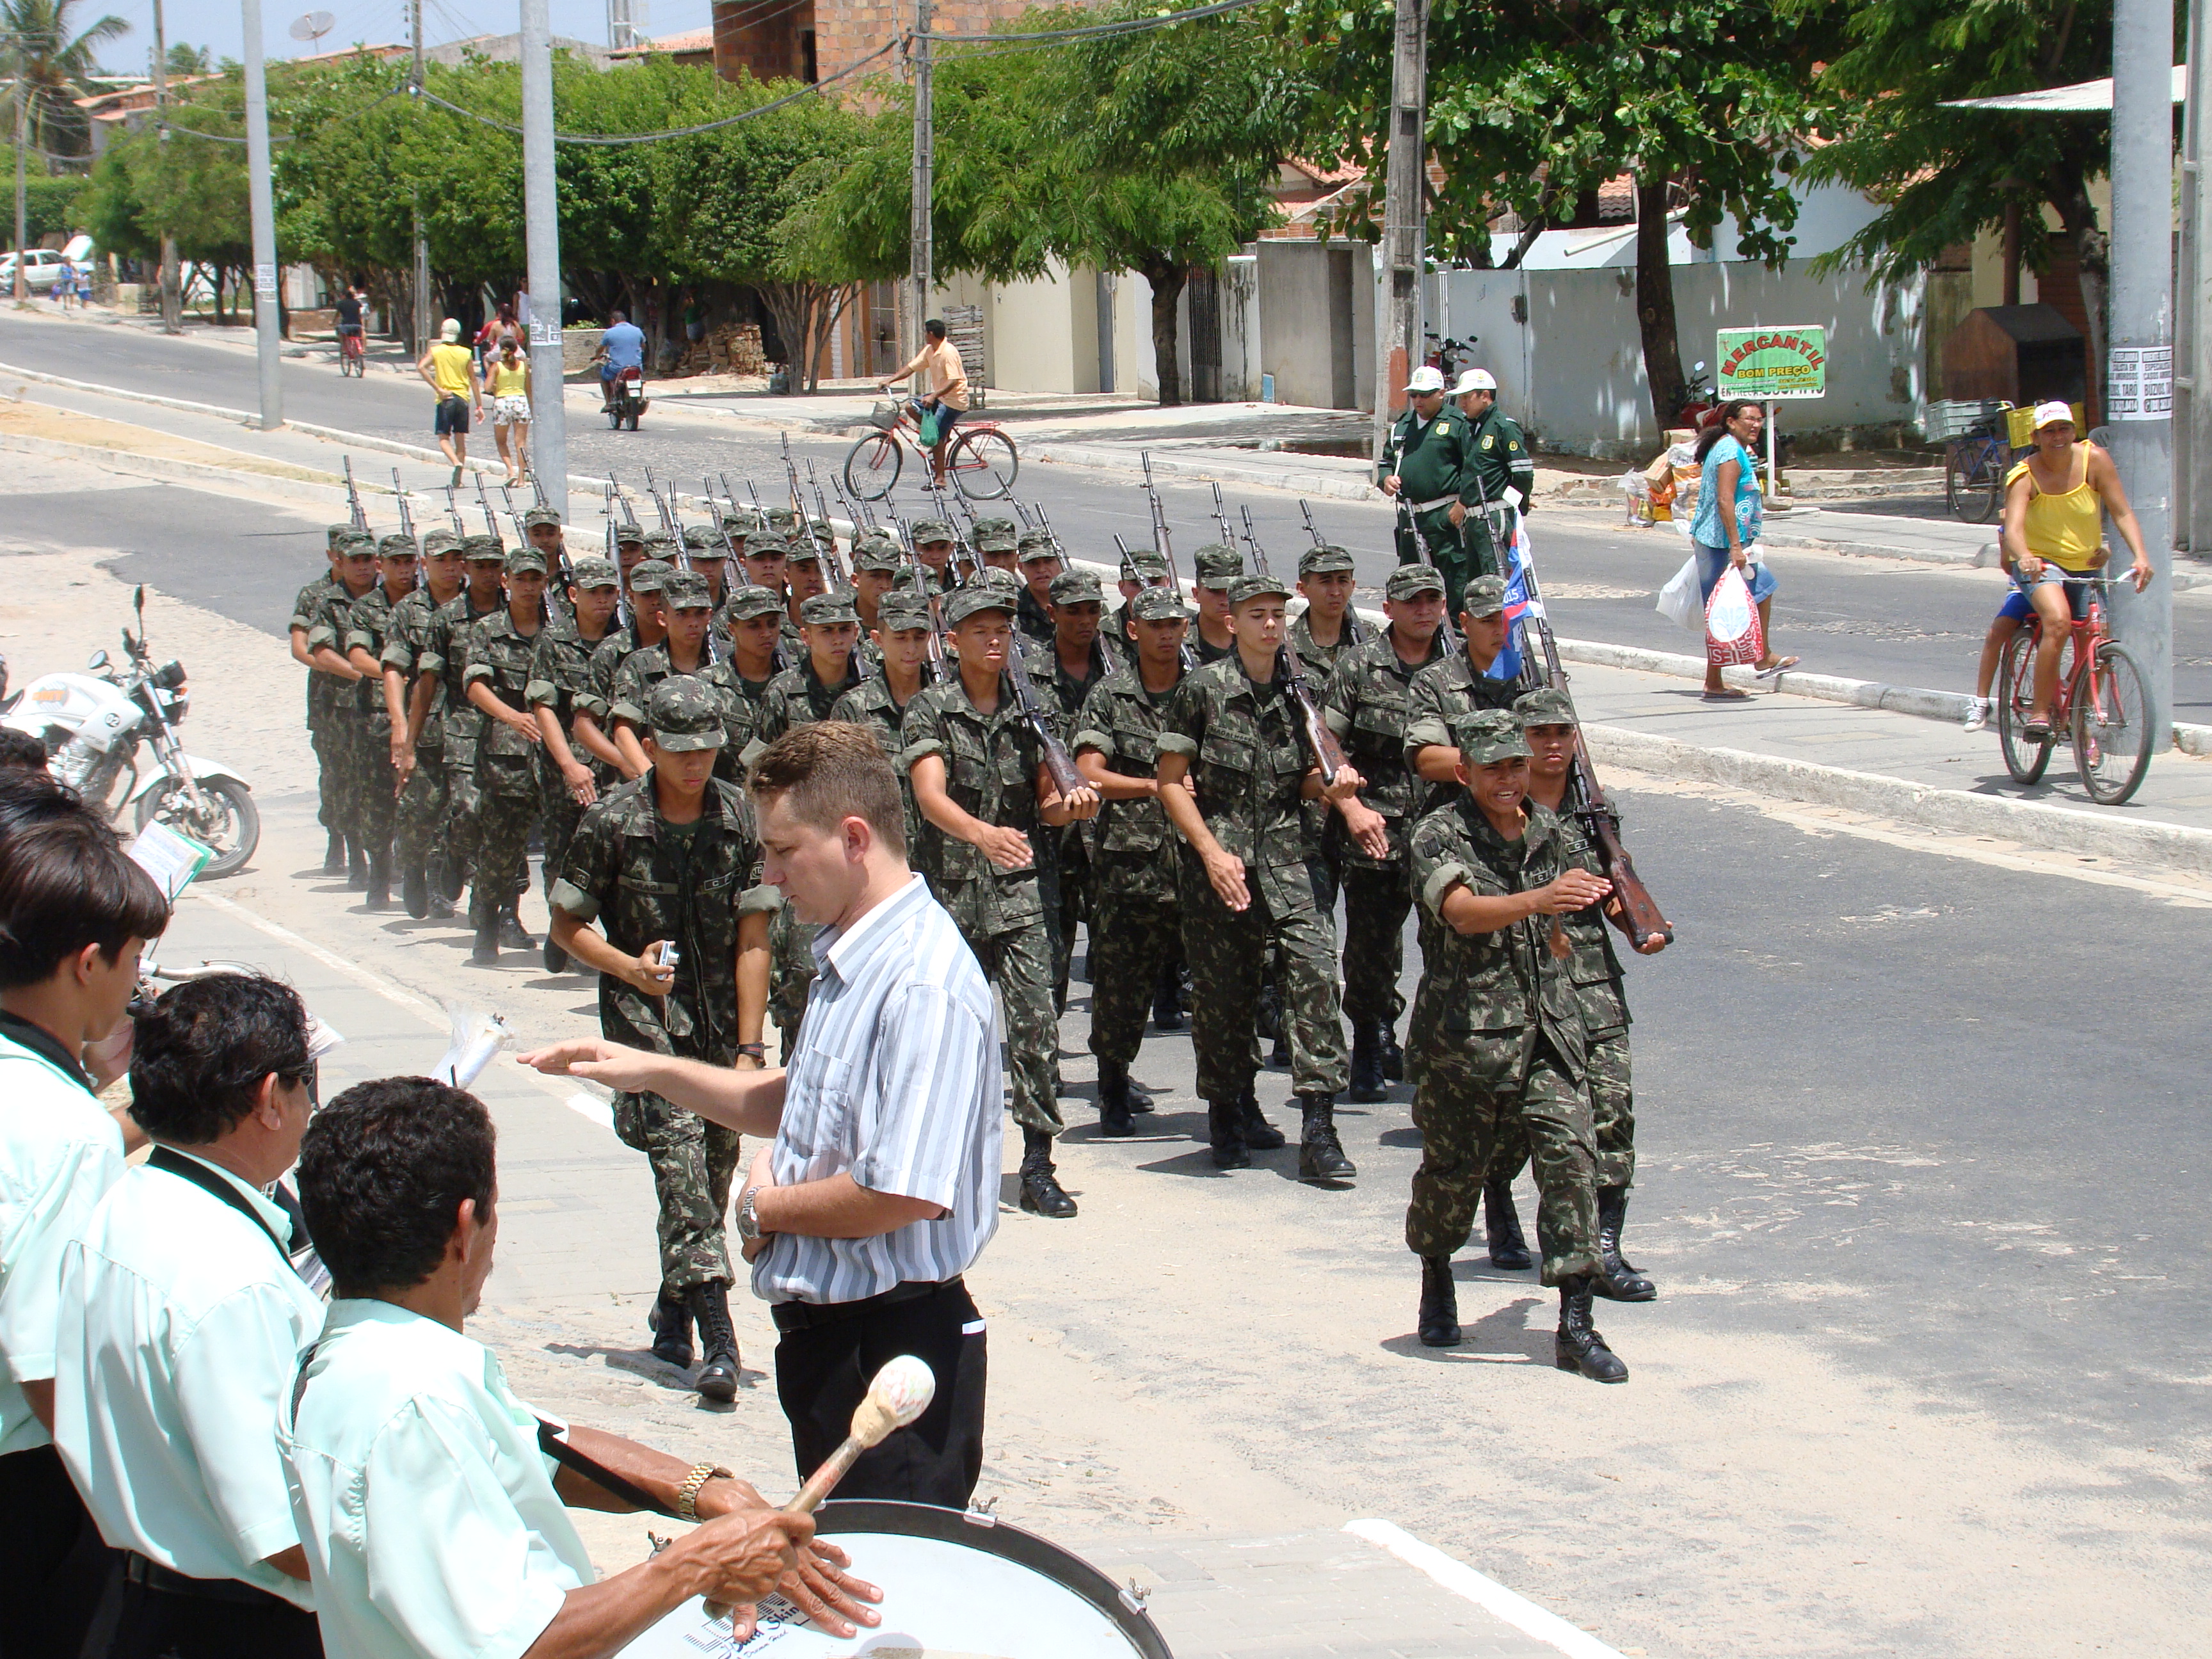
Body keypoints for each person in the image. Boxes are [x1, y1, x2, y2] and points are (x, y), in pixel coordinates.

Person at [524, 721, 1004, 1510]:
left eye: (784, 851)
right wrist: (651, 1070)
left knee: (885, 1570)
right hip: (837, 1345)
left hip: (889, 1349)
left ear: (854, 838)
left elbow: (903, 1190)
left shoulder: (921, 982)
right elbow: (801, 1099)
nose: (771, 877)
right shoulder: (855, 954)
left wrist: (761, 1208)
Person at [282, 1078, 868, 1659]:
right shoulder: (413, 1405)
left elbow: (544, 1449)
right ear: (464, 1228)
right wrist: (698, 1564)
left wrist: (708, 1492)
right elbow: (520, 1648)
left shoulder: (365, 1357)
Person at [54, 974, 325, 1659]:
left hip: (141, 1600)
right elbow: (284, 1536)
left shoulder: (122, 1207)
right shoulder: (233, 1282)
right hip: (236, 1625)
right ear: (271, 1099)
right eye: (307, 1084)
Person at [549, 679, 776, 1402]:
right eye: (680, 751)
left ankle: (671, 1312)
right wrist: (627, 968)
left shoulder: (741, 818)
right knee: (680, 1159)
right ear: (650, 747)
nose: (694, 763)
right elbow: (566, 924)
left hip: (719, 1028)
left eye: (707, 749)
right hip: (643, 1028)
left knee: (708, 1174)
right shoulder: (613, 821)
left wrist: (750, 1050)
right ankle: (720, 1339)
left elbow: (754, 938)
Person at [1402, 709, 1623, 1381]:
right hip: (1465, 1037)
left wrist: (1616, 905)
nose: (1508, 780)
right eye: (1493, 768)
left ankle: (1576, 1323)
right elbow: (1462, 913)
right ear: (1465, 771)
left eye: (1516, 767)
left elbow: (1584, 899)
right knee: (1453, 1173)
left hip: (1548, 1029)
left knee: (1571, 1160)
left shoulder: (1549, 830)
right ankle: (1438, 1279)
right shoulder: (1437, 834)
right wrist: (1541, 898)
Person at [0, 813, 172, 1658]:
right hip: (26, 1485)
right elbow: (44, 1365)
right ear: (87, 963)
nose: (137, 985)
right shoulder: (68, 1131)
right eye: (135, 960)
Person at [1155, 571, 1375, 1178]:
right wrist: (1210, 852)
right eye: (1257, 615)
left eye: (1278, 614)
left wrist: (1335, 790)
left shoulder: (1302, 691)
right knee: (1225, 996)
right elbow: (1169, 782)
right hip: (1222, 866)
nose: (1271, 625)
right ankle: (1230, 1109)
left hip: (1291, 860)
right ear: (1232, 623)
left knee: (1314, 978)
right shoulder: (1204, 690)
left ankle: (1319, 1129)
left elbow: (1304, 777)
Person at [904, 585, 1100, 1220]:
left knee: (1036, 1028)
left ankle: (1038, 1164)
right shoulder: (931, 709)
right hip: (951, 895)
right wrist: (982, 835)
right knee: (946, 1037)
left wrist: (1073, 806)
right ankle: (941, 1167)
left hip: (1020, 893)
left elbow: (1047, 801)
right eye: (980, 631)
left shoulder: (1032, 710)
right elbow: (930, 796)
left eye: (1002, 630)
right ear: (953, 641)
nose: (994, 640)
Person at [1511, 687, 1662, 1300]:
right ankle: (1501, 1211)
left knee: (1612, 1109)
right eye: (1539, 734)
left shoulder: (1595, 813)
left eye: (1562, 733)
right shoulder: (1499, 807)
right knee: (1511, 1119)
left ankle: (1604, 1250)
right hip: (1520, 977)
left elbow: (1614, 892)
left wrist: (1639, 926)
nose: (1553, 745)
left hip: (1593, 979)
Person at [1322, 564, 1452, 1103]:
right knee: (1372, 948)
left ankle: (1439, 1054)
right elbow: (1327, 745)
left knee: (1448, 946)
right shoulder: (1359, 665)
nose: (1423, 610)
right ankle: (1370, 1043)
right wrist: (1350, 807)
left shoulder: (1458, 665)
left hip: (1446, 830)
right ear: (1390, 609)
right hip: (1378, 830)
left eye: (1432, 600)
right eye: (1412, 601)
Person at [1071, 585, 1192, 1135]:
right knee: (1122, 987)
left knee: (1221, 989)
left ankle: (1233, 1102)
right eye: (1155, 625)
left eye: (1175, 625)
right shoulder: (1111, 695)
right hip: (1132, 866)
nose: (1166, 634)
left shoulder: (1205, 691)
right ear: (1133, 630)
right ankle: (1113, 1083)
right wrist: (1156, 785)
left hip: (1197, 861)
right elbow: (1089, 772)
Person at [1980, 401, 2156, 740]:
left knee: (2098, 640)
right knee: (2058, 621)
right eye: (2049, 431)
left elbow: (2121, 512)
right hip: (2041, 565)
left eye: (2064, 429)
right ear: (2036, 437)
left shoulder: (2096, 460)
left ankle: (2080, 714)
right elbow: (2012, 529)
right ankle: (2040, 713)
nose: (2058, 437)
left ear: (2075, 431)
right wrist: (2025, 556)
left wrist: (2141, 556)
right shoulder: (2025, 474)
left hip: (2085, 565)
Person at [529, 557, 627, 972]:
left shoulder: (625, 641)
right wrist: (568, 764)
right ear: (573, 595)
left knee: (614, 859)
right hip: (566, 768)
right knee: (563, 857)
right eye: (593, 592)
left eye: (609, 592)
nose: (602, 600)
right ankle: (562, 926)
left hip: (614, 769)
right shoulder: (554, 641)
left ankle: (597, 941)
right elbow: (544, 707)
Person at [461, 548, 550, 965]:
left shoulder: (559, 630)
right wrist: (511, 717)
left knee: (562, 851)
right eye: (521, 579)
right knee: (501, 847)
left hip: (553, 752)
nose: (529, 587)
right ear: (507, 581)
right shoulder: (487, 630)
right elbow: (475, 685)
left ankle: (559, 934)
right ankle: (487, 923)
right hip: (506, 754)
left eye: (536, 579)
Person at [381, 529, 468, 918]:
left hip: (469, 726)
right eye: (440, 560)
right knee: (422, 809)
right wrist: (400, 726)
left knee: (467, 809)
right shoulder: (408, 611)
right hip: (427, 725)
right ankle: (414, 864)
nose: (449, 568)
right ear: (425, 564)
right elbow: (393, 669)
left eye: (455, 560)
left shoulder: (481, 605)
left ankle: (449, 873)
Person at [1690, 398, 1797, 698]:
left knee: (1763, 589)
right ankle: (1714, 681)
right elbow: (1725, 499)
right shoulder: (1729, 451)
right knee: (1720, 610)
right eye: (1749, 419)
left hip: (1726, 542)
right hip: (1721, 544)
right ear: (1731, 422)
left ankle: (1762, 656)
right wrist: (1736, 547)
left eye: (1759, 419)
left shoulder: (1733, 448)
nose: (1756, 425)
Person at [340, 533, 421, 911]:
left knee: (423, 799)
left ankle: (423, 874)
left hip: (425, 712)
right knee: (378, 800)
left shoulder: (427, 603)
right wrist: (393, 674)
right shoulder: (366, 608)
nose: (403, 569)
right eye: (395, 563)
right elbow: (357, 655)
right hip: (376, 716)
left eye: (409, 561)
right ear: (381, 566)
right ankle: (380, 873)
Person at [308, 534, 381, 893]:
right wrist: (363, 674)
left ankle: (386, 856)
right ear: (340, 562)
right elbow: (319, 651)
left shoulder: (391, 598)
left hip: (383, 706)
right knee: (345, 782)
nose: (363, 567)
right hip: (340, 707)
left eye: (369, 559)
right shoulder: (327, 601)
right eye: (355, 560)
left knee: (381, 783)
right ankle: (353, 854)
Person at [289, 528, 360, 877]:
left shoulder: (378, 592)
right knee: (335, 774)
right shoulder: (315, 595)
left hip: (369, 699)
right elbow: (300, 648)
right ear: (334, 555)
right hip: (330, 700)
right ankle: (337, 837)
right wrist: (339, 669)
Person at [1379, 365, 1478, 613]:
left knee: (1454, 579)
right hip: (1410, 515)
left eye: (1425, 395)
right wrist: (1386, 479)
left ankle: (1455, 629)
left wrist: (1463, 504)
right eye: (1414, 395)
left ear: (1441, 394)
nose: (1418, 400)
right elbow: (1386, 462)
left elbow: (1473, 467)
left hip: (1444, 513)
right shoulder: (1402, 425)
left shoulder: (1458, 424)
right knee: (1412, 580)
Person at [1450, 367, 1537, 606]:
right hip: (1474, 520)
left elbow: (1522, 474)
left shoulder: (1503, 427)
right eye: (1461, 398)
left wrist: (1515, 506)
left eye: (1467, 397)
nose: (1462, 403)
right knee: (1476, 584)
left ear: (1485, 396)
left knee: (1495, 583)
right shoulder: (1471, 429)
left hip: (1494, 516)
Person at [876, 319, 970, 486]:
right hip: (940, 396)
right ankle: (936, 434)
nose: (924, 335)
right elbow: (911, 368)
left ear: (931, 334)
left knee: (936, 438)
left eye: (926, 333)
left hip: (954, 401)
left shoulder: (948, 352)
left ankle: (940, 478)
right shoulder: (930, 350)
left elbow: (954, 381)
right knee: (910, 407)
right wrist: (890, 380)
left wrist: (933, 396)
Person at [416, 319, 479, 486]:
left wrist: (438, 389)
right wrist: (479, 405)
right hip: (463, 399)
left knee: (444, 438)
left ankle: (456, 463)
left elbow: (421, 367)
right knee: (460, 440)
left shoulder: (436, 351)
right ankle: (459, 480)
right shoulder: (466, 353)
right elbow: (473, 379)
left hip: (446, 399)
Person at [486, 334, 532, 488]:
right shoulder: (524, 366)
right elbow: (529, 389)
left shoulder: (497, 367)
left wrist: (495, 386)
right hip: (521, 402)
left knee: (501, 441)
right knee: (521, 442)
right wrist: (531, 407)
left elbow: (487, 388)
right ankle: (521, 479)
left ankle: (510, 471)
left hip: (503, 402)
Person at [596, 309, 646, 412]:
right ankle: (639, 399)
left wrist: (597, 356)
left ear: (613, 321)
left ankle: (608, 403)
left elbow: (600, 349)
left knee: (603, 374)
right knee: (639, 378)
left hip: (618, 368)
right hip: (636, 367)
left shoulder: (609, 333)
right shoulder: (637, 330)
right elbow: (643, 346)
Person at [333, 282, 365, 362]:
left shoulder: (340, 304)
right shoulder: (357, 303)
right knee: (359, 336)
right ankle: (361, 349)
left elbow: (337, 315)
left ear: (344, 296)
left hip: (346, 325)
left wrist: (333, 322)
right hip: (357, 324)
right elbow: (359, 314)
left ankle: (344, 349)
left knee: (342, 335)